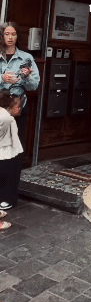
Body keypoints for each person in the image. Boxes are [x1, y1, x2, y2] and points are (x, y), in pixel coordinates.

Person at [0, 22, 40, 146]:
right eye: (7, 34)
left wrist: (26, 77)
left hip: (17, 105)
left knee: (15, 142)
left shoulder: (26, 58)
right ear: (2, 36)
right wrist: (2, 78)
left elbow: (34, 86)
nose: (10, 37)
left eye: (13, 34)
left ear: (17, 36)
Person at [0, 91, 24, 221]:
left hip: (8, 152)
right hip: (6, 153)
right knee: (8, 178)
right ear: (10, 107)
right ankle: (6, 200)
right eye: (17, 106)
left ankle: (5, 199)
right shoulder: (7, 118)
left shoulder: (6, 116)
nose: (19, 109)